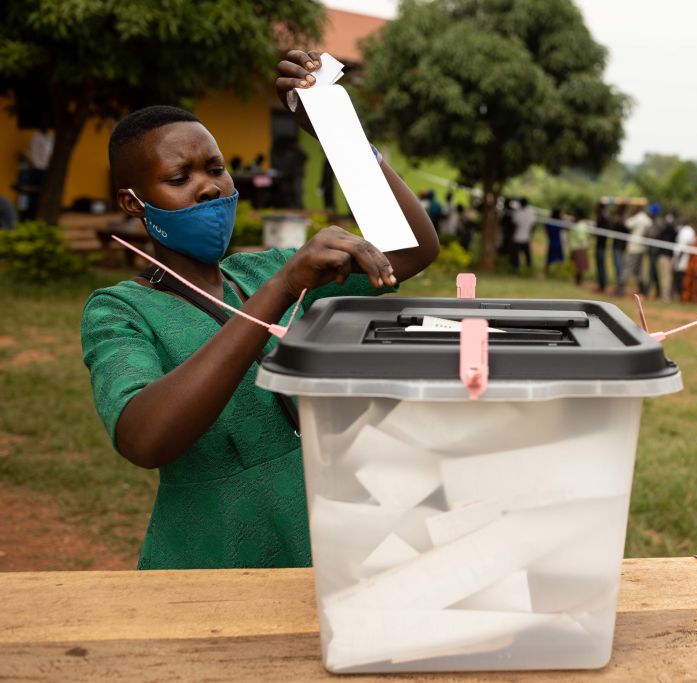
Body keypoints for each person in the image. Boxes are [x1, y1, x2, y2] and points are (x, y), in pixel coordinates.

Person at [80, 48, 440, 570]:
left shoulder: (257, 272)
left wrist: (337, 137)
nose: (207, 185)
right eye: (178, 179)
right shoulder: (121, 311)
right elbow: (144, 437)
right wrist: (282, 287)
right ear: (133, 202)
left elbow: (411, 250)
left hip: (320, 549)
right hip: (210, 564)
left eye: (216, 168)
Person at [615, 205, 652, 296]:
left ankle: (620, 289)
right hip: (642, 247)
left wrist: (626, 216)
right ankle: (642, 289)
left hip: (634, 247)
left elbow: (627, 224)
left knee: (628, 268)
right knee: (638, 269)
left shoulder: (638, 218)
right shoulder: (647, 220)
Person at [655, 213, 678, 302]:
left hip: (666, 256)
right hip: (668, 256)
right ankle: (667, 295)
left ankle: (665, 296)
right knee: (668, 276)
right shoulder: (674, 231)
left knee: (666, 276)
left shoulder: (666, 231)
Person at [673, 217, 696, 300]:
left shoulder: (686, 231)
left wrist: (678, 258)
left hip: (683, 258)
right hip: (684, 257)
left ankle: (682, 296)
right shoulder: (688, 230)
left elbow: (683, 246)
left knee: (681, 278)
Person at [510, 197, 536, 270]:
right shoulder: (531, 211)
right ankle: (528, 268)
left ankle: (516, 268)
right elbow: (533, 225)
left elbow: (514, 225)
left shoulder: (517, 212)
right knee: (527, 255)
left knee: (516, 255)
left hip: (517, 237)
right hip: (525, 237)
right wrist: (531, 233)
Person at [566, 213, 590, 286]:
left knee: (578, 267)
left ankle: (578, 281)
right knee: (577, 267)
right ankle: (577, 281)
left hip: (579, 248)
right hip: (577, 248)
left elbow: (582, 238)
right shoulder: (580, 225)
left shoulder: (580, 227)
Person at [593, 202, 611, 292]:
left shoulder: (604, 220)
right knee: (600, 265)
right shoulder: (601, 219)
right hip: (599, 246)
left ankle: (602, 285)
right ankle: (601, 284)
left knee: (601, 266)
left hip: (601, 246)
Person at [610, 205, 629, 287]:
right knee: (619, 265)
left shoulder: (624, 221)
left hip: (620, 246)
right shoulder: (620, 220)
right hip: (618, 246)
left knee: (619, 266)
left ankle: (620, 284)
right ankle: (620, 283)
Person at [544, 208, 565, 274]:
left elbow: (546, 229)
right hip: (558, 242)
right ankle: (560, 273)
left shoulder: (549, 223)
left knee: (549, 259)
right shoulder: (559, 223)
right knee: (560, 259)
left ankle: (546, 272)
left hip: (552, 242)